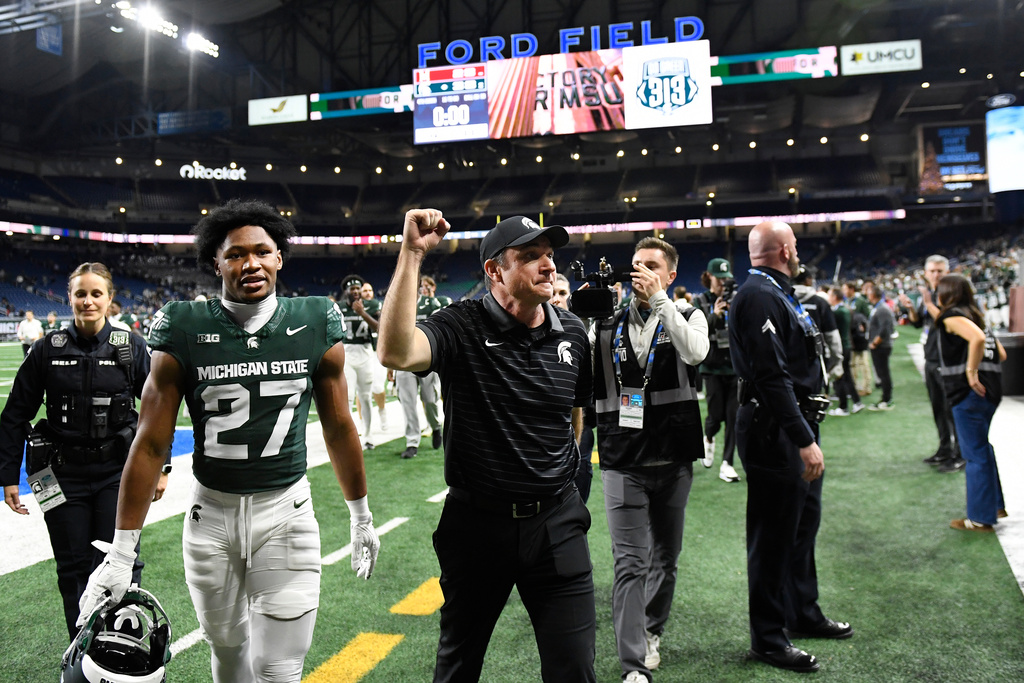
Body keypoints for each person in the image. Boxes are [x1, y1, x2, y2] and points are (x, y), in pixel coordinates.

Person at [77, 199, 380, 683]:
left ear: (280, 256)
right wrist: (121, 550)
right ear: (215, 263)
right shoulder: (184, 324)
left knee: (279, 669)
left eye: (262, 251)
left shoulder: (315, 318)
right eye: (236, 254)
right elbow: (152, 443)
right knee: (229, 655)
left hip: (287, 514)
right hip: (210, 517)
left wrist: (360, 514)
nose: (251, 263)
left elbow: (340, 426)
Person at [378, 211, 596, 683]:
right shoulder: (462, 324)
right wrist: (413, 253)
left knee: (575, 669)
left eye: (550, 256)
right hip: (478, 527)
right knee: (458, 666)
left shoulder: (574, 333)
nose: (548, 266)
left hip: (556, 523)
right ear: (495, 271)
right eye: (531, 257)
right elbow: (395, 353)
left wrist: (570, 482)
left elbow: (576, 415)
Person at [0, 262, 163, 641]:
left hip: (117, 475)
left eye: (95, 294)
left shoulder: (131, 347)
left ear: (109, 300)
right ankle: (81, 651)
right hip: (62, 475)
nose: (87, 301)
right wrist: (7, 476)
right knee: (72, 567)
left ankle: (122, 649)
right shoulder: (45, 349)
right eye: (80, 294)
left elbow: (159, 411)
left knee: (121, 562)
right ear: (69, 297)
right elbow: (14, 415)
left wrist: (163, 465)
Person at [729, 221, 852, 674]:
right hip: (774, 428)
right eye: (795, 246)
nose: (798, 252)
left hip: (791, 423)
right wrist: (803, 439)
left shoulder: (777, 291)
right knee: (774, 534)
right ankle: (768, 637)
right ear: (784, 250)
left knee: (802, 526)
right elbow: (771, 376)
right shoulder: (759, 295)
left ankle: (802, 612)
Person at [591, 237, 709, 682]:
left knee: (666, 557)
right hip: (623, 458)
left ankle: (652, 629)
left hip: (673, 457)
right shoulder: (608, 322)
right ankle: (633, 666)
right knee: (630, 563)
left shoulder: (690, 314)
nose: (640, 272)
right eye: (636, 265)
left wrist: (661, 301)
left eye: (652, 266)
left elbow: (696, 352)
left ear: (671, 274)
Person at [935, 274, 1008, 531]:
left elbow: (976, 339)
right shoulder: (977, 316)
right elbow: (1001, 353)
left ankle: (980, 517)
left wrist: (971, 372)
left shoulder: (952, 317)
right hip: (992, 391)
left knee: (974, 454)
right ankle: (995, 505)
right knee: (982, 449)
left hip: (969, 393)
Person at [899, 255, 963, 471]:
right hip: (932, 357)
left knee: (951, 410)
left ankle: (960, 453)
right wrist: (911, 309)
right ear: (926, 273)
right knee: (938, 408)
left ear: (947, 272)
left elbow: (948, 322)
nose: (936, 275)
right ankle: (945, 448)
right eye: (932, 271)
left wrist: (928, 303)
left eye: (940, 271)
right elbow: (920, 324)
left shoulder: (953, 294)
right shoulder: (928, 295)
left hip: (948, 361)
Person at [693, 258, 741, 483]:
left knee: (733, 417)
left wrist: (735, 312)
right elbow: (695, 331)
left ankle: (728, 463)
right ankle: (709, 437)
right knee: (715, 417)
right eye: (718, 278)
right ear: (709, 277)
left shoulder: (736, 300)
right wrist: (715, 315)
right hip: (712, 367)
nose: (723, 283)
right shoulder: (699, 300)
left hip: (734, 367)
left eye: (725, 278)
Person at [395, 275, 451, 459]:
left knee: (430, 400)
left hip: (426, 357)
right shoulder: (399, 303)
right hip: (403, 358)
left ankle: (435, 427)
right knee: (408, 403)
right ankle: (412, 442)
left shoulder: (432, 303)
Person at [552, 272, 595, 502]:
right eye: (552, 293)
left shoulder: (583, 329)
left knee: (581, 466)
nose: (556, 298)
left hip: (582, 419)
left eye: (562, 293)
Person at [340, 275, 383, 449]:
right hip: (347, 353)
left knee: (365, 397)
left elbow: (379, 327)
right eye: (353, 289)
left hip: (365, 353)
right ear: (346, 292)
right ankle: (349, 436)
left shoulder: (372, 305)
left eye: (358, 288)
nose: (356, 292)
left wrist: (362, 313)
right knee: (348, 397)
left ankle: (368, 435)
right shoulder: (339, 307)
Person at [826, 288, 864, 416]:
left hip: (841, 347)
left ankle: (843, 407)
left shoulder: (839, 312)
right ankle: (857, 402)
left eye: (830, 295)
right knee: (847, 375)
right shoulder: (846, 309)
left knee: (839, 376)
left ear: (835, 297)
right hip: (846, 345)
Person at [361, 281, 391, 430]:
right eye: (364, 290)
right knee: (361, 389)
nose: (368, 293)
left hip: (376, 351)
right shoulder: (352, 307)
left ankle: (382, 411)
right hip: (361, 350)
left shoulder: (377, 305)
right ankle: (362, 423)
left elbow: (380, 324)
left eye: (370, 290)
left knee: (378, 386)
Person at [866, 282, 895, 410]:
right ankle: (885, 398)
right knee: (882, 372)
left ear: (873, 295)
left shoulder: (882, 308)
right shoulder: (878, 307)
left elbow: (885, 329)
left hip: (881, 346)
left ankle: (887, 399)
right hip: (880, 345)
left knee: (883, 373)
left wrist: (874, 343)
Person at [843, 281, 874, 396]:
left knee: (864, 363)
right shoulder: (845, 301)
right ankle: (854, 386)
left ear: (851, 289)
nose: (844, 291)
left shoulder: (860, 301)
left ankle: (866, 386)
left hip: (860, 338)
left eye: (845, 289)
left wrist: (864, 329)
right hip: (850, 336)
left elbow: (867, 316)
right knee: (853, 363)